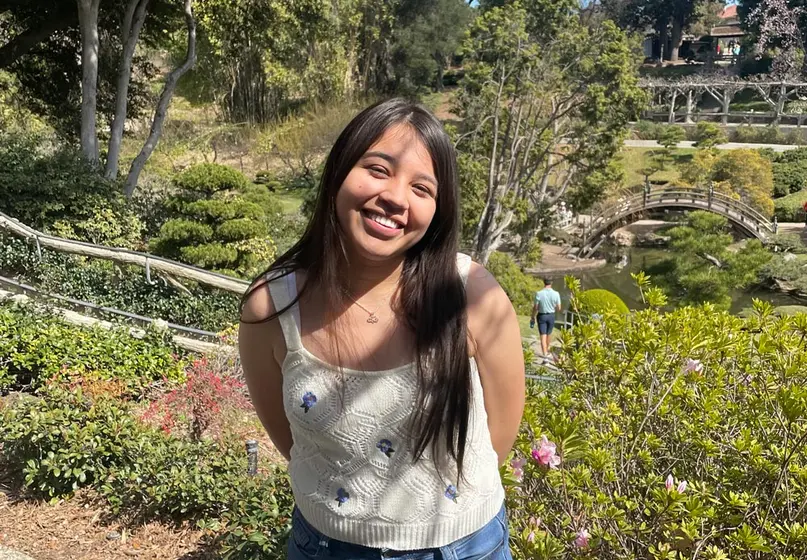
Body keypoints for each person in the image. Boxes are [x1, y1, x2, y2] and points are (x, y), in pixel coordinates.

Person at [238, 98, 525, 560]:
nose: (395, 197)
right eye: (377, 168)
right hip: (328, 547)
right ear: (339, 172)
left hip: (465, 547)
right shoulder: (273, 305)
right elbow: (290, 438)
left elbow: (501, 434)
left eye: (422, 188)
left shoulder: (470, 294)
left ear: (438, 211)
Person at [531, 278, 562, 361]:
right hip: (551, 316)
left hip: (542, 316)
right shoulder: (556, 293)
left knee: (543, 336)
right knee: (549, 334)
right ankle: (547, 351)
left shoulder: (539, 293)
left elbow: (536, 307)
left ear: (544, 283)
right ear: (551, 283)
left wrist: (532, 317)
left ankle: (545, 355)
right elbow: (559, 308)